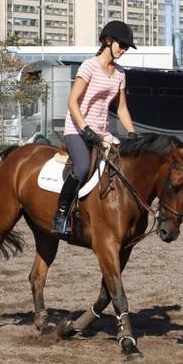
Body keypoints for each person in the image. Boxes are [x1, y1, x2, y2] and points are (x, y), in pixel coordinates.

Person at [52, 20, 137, 236]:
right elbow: (72, 101)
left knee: (124, 164)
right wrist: (85, 128)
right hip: (77, 130)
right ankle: (61, 214)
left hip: (103, 133)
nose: (124, 49)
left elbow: (123, 110)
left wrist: (133, 133)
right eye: (121, 44)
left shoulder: (120, 74)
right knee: (81, 167)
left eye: (126, 47)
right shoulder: (88, 66)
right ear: (108, 41)